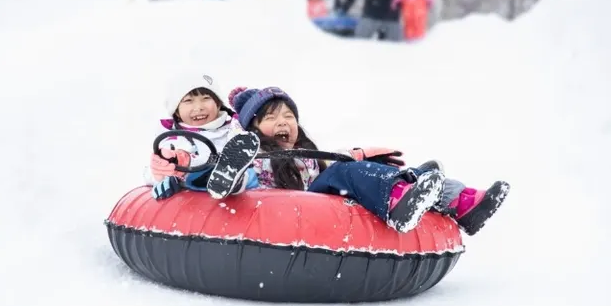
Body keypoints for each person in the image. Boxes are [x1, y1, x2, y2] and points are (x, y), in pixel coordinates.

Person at [206, 87, 511, 236]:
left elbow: (325, 174)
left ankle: (462, 202)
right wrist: (240, 151)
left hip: (317, 200)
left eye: (289, 116)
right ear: (253, 129)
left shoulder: (305, 155)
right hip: (291, 213)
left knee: (393, 172)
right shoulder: (255, 157)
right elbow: (244, 178)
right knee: (347, 173)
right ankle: (397, 203)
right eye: (271, 118)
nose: (283, 122)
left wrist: (361, 156)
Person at [143, 71, 259, 200]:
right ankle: (217, 177)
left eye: (206, 98)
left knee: (245, 166)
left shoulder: (236, 128)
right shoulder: (171, 138)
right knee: (189, 170)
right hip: (194, 199)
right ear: (176, 110)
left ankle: (234, 178)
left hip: (246, 187)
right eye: (188, 101)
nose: (198, 107)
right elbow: (151, 170)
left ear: (218, 103)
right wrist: (161, 176)